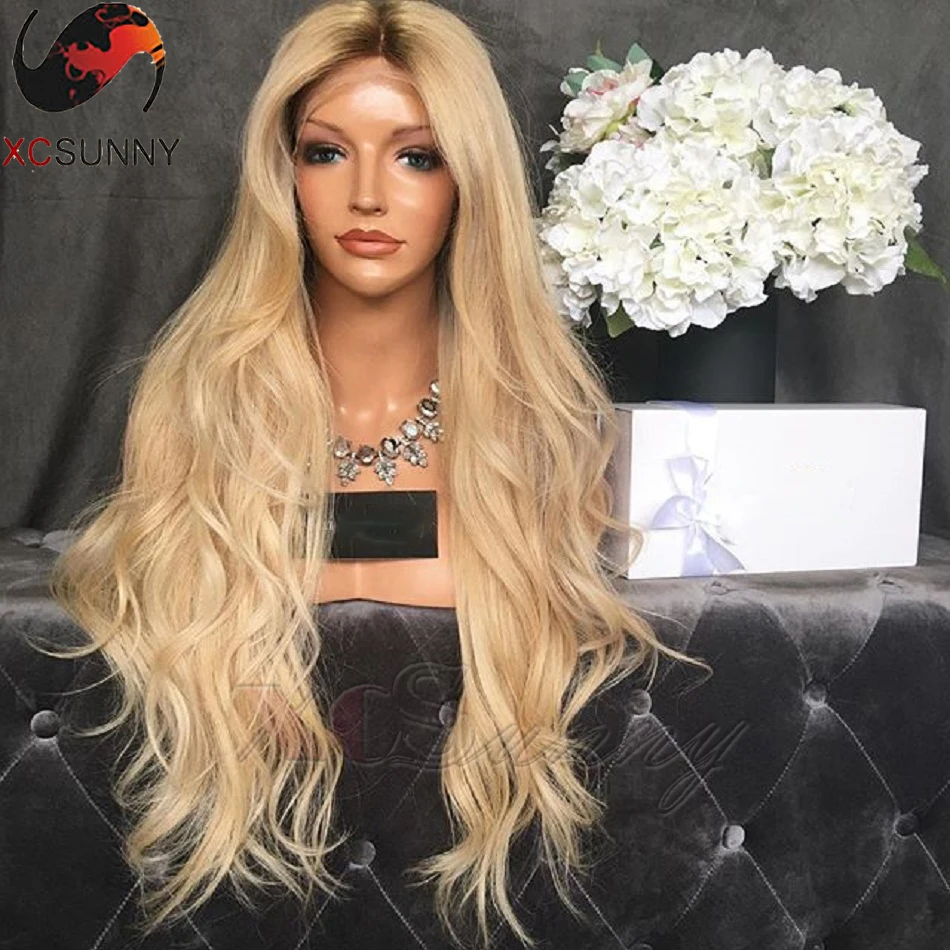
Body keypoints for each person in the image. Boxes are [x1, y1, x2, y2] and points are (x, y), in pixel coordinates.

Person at [43, 1, 710, 947]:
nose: (366, 196)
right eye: (326, 152)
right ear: (282, 175)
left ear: (468, 180)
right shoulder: (198, 407)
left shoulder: (536, 430)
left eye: (416, 157)